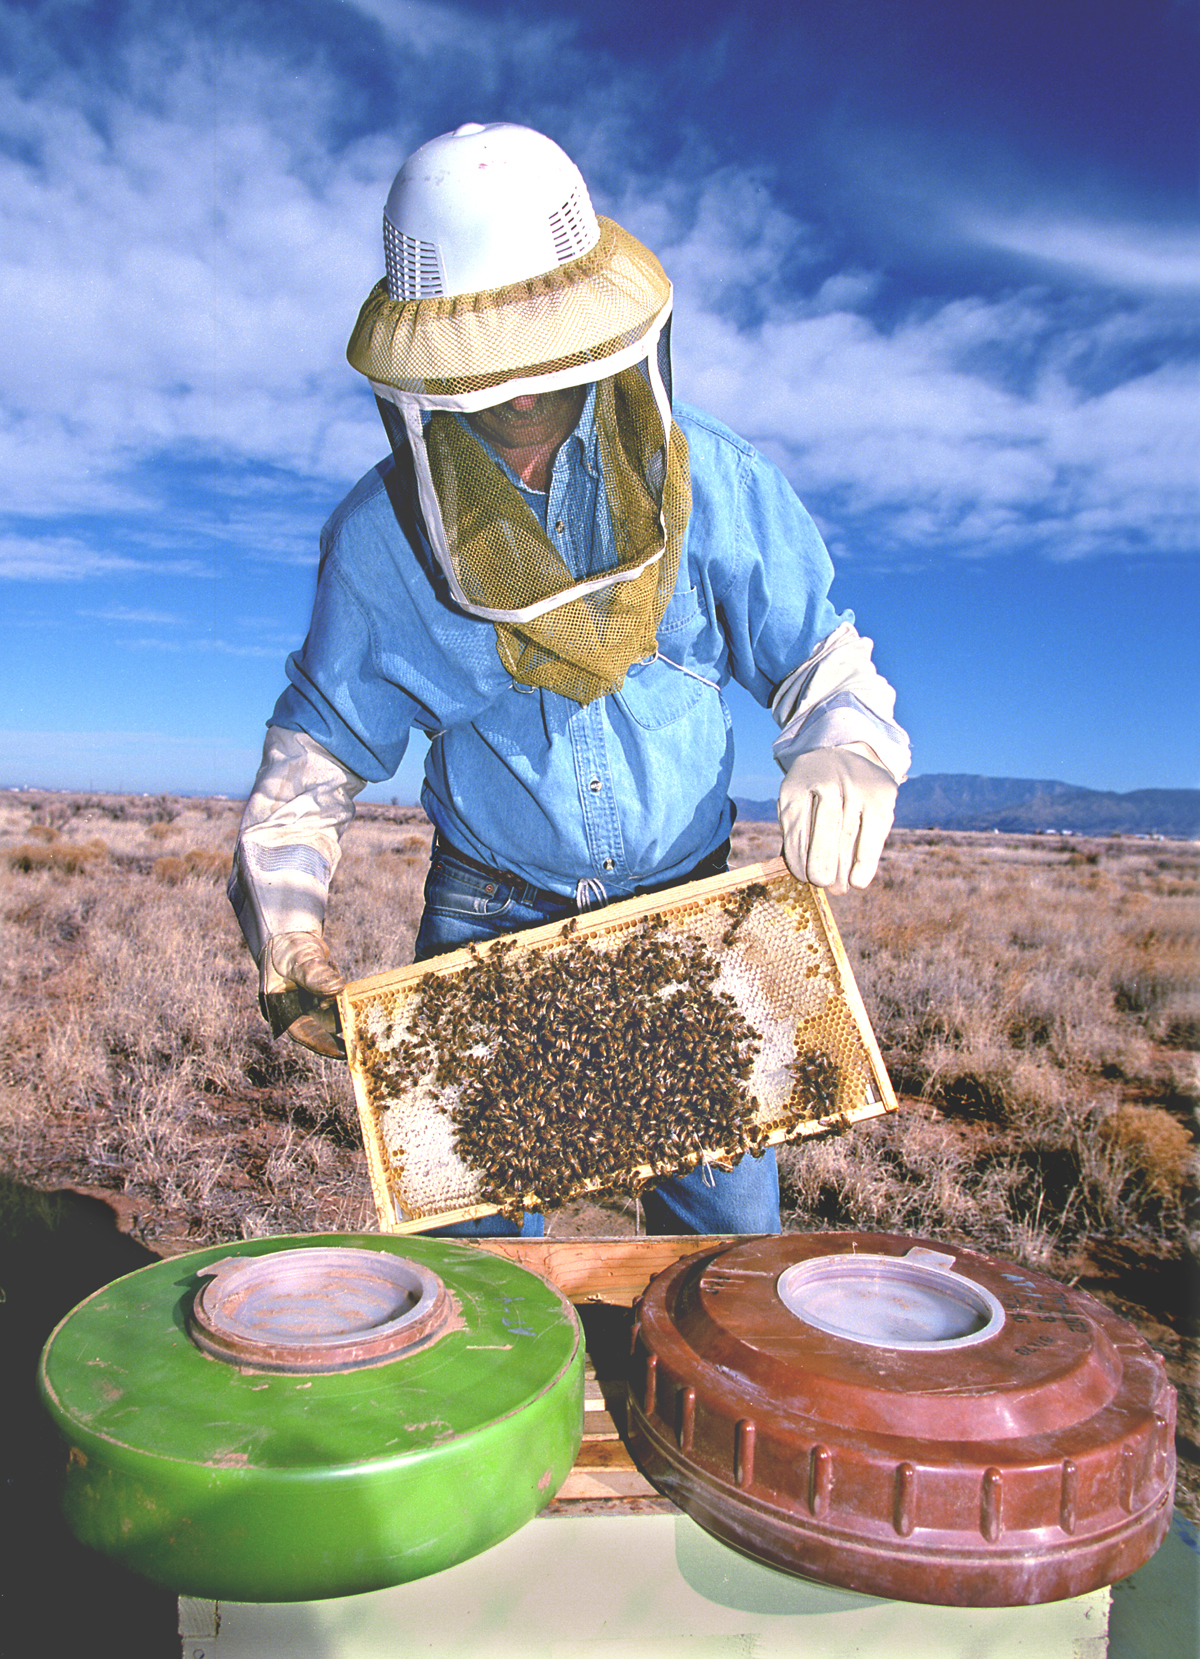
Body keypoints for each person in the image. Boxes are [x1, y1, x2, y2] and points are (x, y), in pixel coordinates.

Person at [228, 122, 910, 1239]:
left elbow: (823, 662)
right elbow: (314, 754)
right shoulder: (380, 538)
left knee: (726, 1273)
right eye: (484, 368)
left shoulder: (715, 477)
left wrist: (845, 742)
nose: (518, 394)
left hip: (694, 915)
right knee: (480, 1314)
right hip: (486, 919)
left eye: (539, 351)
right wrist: (289, 930)